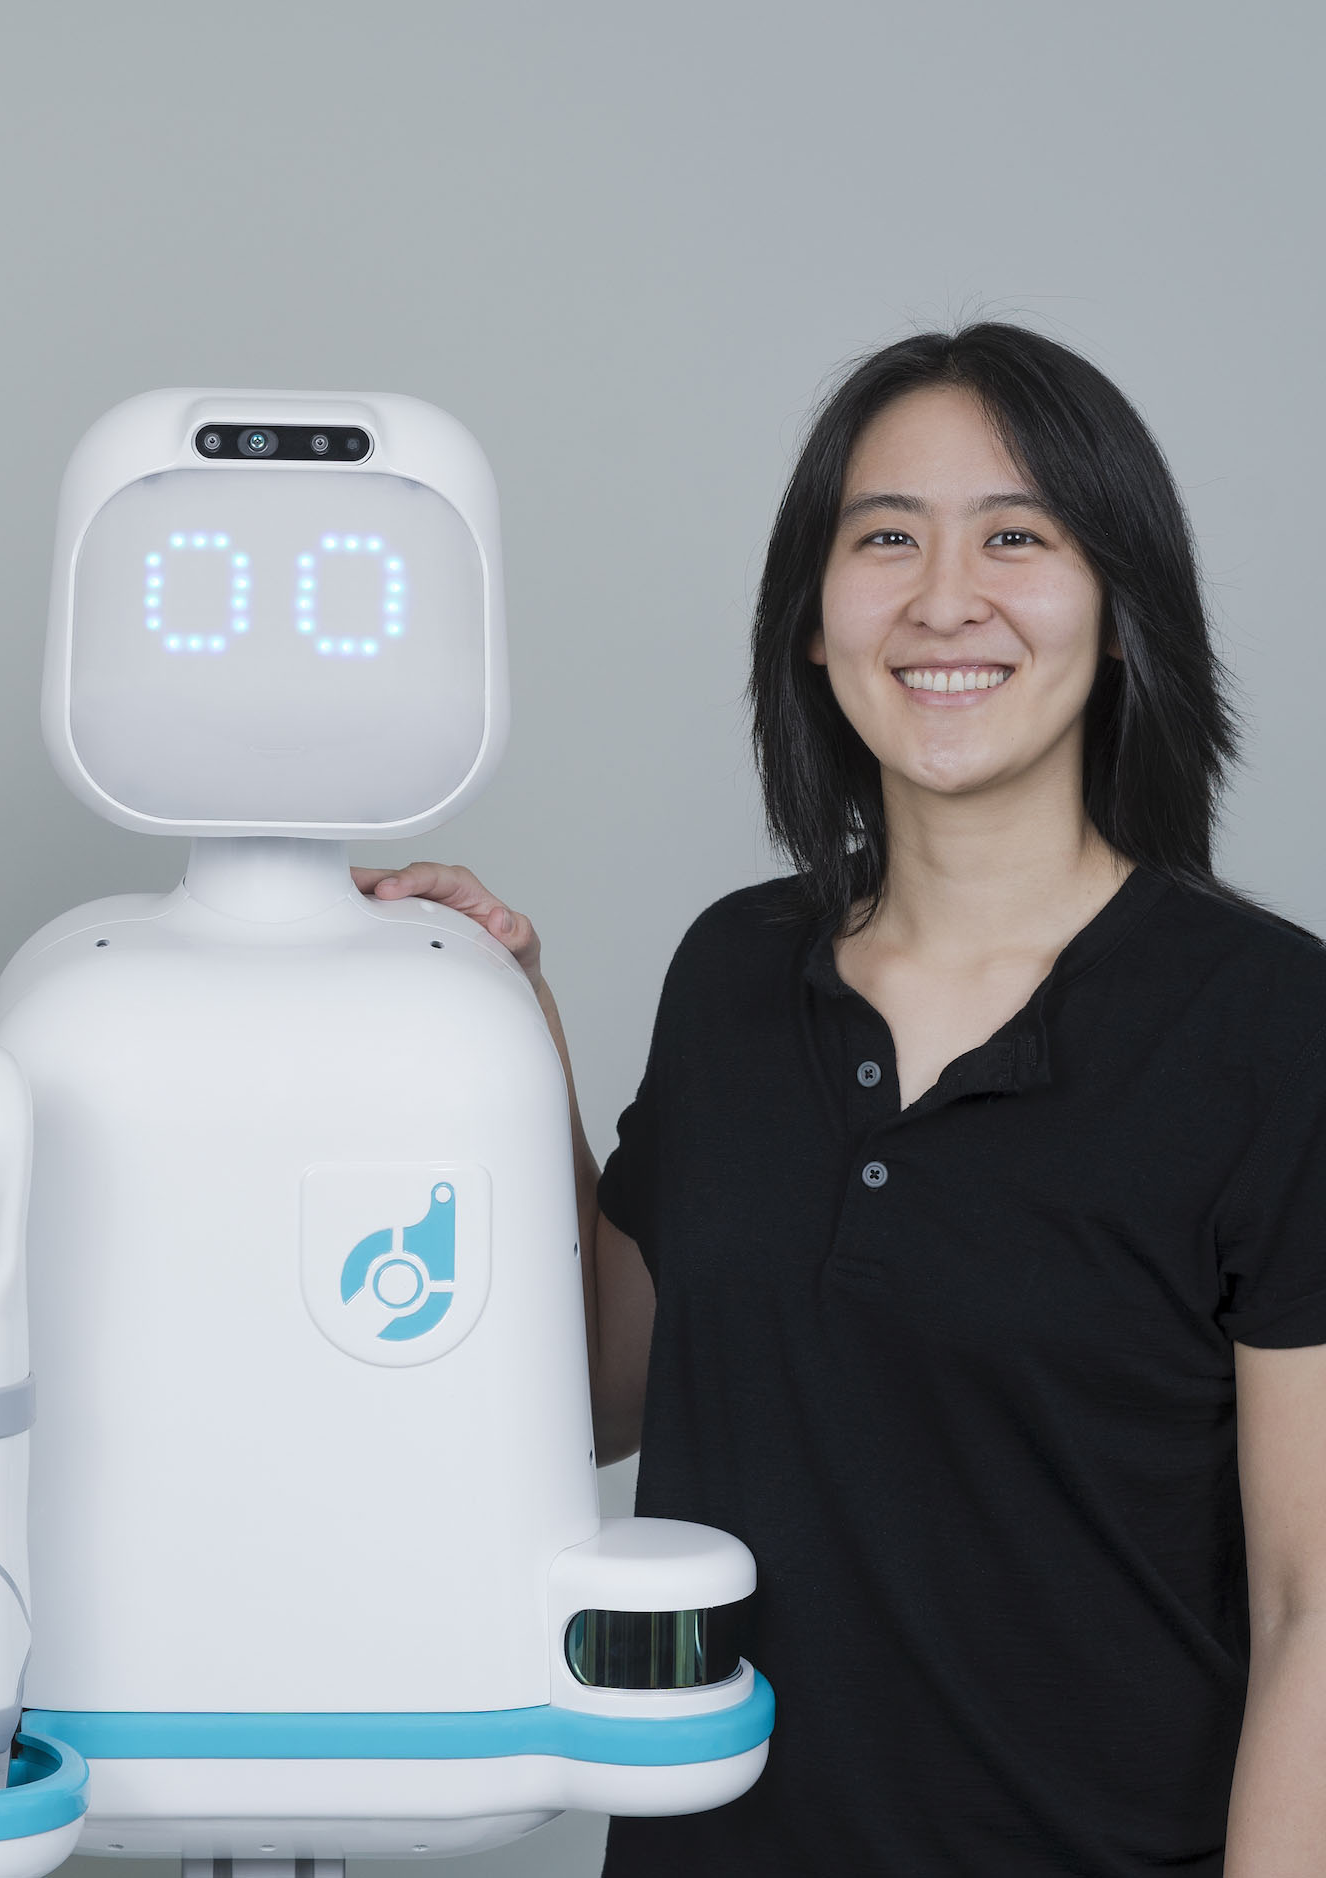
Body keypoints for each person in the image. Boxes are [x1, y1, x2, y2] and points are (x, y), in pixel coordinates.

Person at [362, 323, 1326, 1874]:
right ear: (814, 624)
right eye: (886, 539)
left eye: (1018, 536)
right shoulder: (736, 974)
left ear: (1122, 609)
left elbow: (1313, 1607)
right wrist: (510, 1013)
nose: (947, 598)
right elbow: (606, 1393)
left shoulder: (1271, 1023)